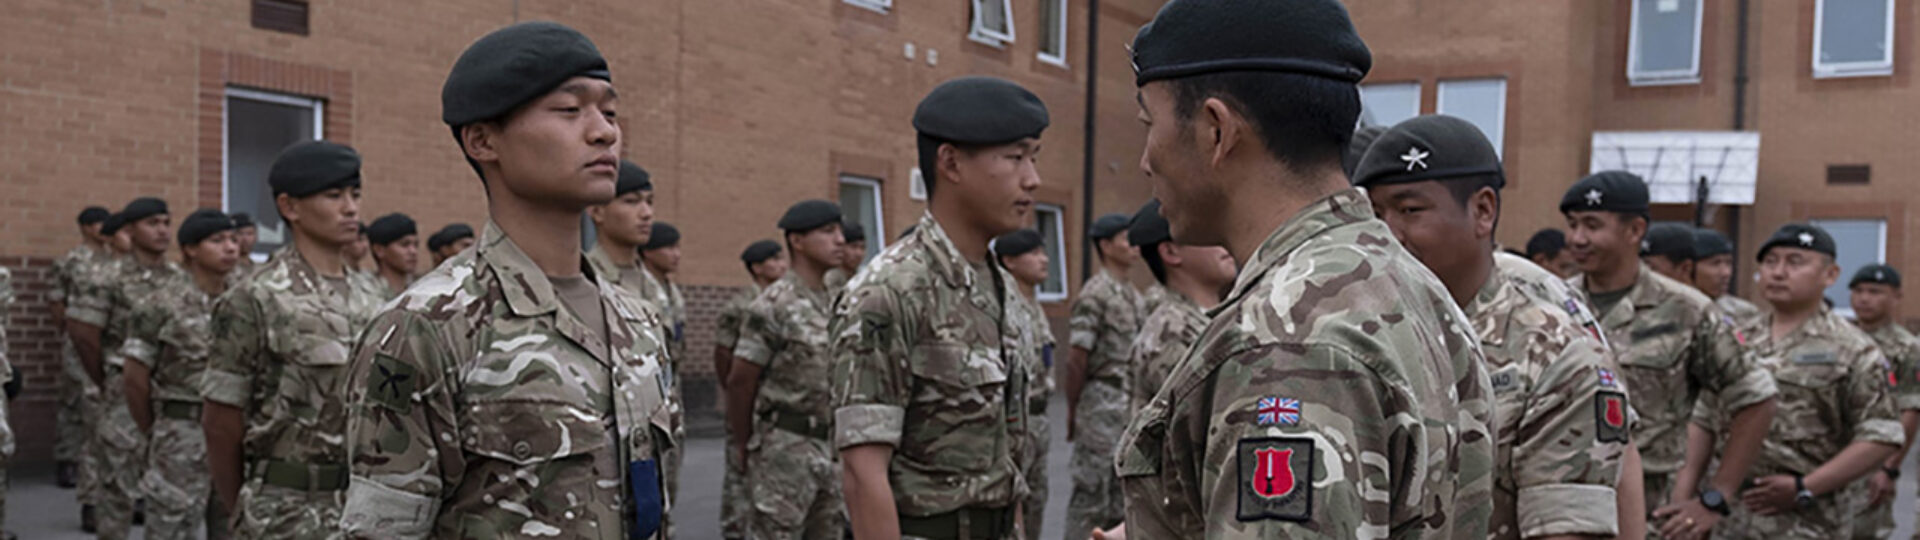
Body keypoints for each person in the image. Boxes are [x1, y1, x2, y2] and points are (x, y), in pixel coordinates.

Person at [1104, 1, 1494, 536]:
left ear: (1217, 131)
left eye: (1150, 123)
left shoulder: (1283, 341)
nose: (1147, 159)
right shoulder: (1408, 281)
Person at [338, 20, 675, 539]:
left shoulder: (639, 320)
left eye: (609, 112)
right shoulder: (426, 326)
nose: (605, 131)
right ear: (482, 140)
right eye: (570, 109)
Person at [1354, 114, 1644, 539]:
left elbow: (1573, 522)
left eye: (1410, 210)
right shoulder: (1359, 328)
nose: (1387, 233)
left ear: (1483, 211)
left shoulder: (1555, 353)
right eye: (1376, 213)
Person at [832, 75, 1046, 540]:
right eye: (1014, 157)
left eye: (1033, 157)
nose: (1033, 178)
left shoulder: (1004, 291)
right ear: (950, 162)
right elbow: (862, 475)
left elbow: (1007, 456)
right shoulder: (890, 290)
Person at [1561, 171, 1780, 540]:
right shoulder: (1551, 302)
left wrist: (1716, 496)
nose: (1577, 239)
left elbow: (1757, 396)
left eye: (1592, 225)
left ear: (1635, 231)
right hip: (1561, 508)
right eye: (1572, 225)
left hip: (1650, 512)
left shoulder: (1686, 309)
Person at [201, 141, 385, 537]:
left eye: (355, 194)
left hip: (367, 508)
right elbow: (221, 422)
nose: (351, 208)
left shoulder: (377, 297)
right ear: (290, 207)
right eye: (333, 195)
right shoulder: (257, 298)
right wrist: (242, 507)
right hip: (286, 511)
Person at [1690, 224, 1902, 539]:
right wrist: (1690, 492)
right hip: (1725, 514)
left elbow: (1881, 435)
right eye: (1770, 262)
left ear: (1830, 275)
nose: (1778, 272)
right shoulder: (1736, 337)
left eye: (1795, 262)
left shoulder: (1854, 349)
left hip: (1806, 520)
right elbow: (1705, 416)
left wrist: (1806, 486)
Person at [727, 200, 848, 539]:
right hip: (785, 448)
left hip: (832, 446)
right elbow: (740, 381)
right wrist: (744, 442)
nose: (840, 239)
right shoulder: (773, 305)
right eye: (827, 231)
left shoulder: (840, 297)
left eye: (839, 230)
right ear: (797, 241)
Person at [120, 209, 240, 540]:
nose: (230, 247)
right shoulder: (161, 302)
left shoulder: (246, 301)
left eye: (232, 239)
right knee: (172, 525)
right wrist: (156, 429)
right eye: (217, 241)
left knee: (232, 524)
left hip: (234, 432)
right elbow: (134, 378)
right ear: (190, 249)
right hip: (181, 433)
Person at [71, 197, 181, 540]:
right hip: (122, 392)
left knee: (170, 491)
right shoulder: (107, 276)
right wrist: (106, 379)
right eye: (153, 223)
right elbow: (85, 335)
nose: (162, 230)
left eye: (166, 222)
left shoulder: (178, 277)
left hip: (170, 394)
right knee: (116, 487)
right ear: (130, 230)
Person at [1063, 211, 1140, 540]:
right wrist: (1073, 408)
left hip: (1126, 408)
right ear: (1106, 246)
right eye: (1126, 238)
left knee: (1120, 502)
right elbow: (1076, 358)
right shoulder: (1095, 294)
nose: (1133, 245)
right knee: (1090, 498)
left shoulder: (1133, 295)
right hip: (1099, 406)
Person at [1120, 199, 1231, 418]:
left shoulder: (1210, 317)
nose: (1224, 244)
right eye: (1208, 236)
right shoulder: (1173, 333)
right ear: (1171, 252)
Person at [713, 239, 785, 540]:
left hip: (770, 402)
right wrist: (734, 395)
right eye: (774, 260)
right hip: (745, 398)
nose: (782, 264)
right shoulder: (741, 306)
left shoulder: (782, 301)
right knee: (739, 472)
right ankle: (734, 527)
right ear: (757, 267)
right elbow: (724, 354)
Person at [1843, 264, 1920, 540]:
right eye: (1858, 291)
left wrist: (1890, 467)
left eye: (1875, 292)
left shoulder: (1907, 348)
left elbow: (1910, 410)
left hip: (1872, 461)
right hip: (1832, 457)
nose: (1864, 298)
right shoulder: (1838, 337)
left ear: (1896, 297)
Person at [993, 227, 1058, 540]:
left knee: (1036, 506)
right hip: (1015, 424)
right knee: (1011, 511)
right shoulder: (1006, 306)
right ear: (1009, 261)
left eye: (1043, 252)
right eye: (1032, 253)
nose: (1043, 259)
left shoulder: (1034, 305)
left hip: (1040, 419)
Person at [49, 206, 111, 490]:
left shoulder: (114, 260)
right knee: (73, 398)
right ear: (86, 227)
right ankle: (67, 459)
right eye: (99, 223)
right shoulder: (72, 260)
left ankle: (94, 463)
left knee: (98, 399)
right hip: (77, 337)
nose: (104, 228)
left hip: (105, 337)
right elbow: (57, 298)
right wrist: (67, 329)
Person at [637, 220, 687, 508]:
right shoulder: (641, 287)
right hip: (646, 395)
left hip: (671, 392)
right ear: (649, 251)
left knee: (671, 482)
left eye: (677, 247)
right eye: (668, 247)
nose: (676, 254)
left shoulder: (670, 290)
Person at [1692, 228, 1763, 323]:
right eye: (1715, 263)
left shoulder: (1744, 313)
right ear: (1688, 267)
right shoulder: (1673, 312)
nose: (1726, 273)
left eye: (1728, 263)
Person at [364, 213, 420, 299]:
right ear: (379, 250)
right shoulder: (364, 295)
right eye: (404, 245)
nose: (413, 251)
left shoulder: (420, 292)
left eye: (416, 245)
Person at [825, 221, 865, 291]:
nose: (859, 253)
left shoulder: (863, 277)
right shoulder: (831, 279)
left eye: (862, 247)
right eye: (853, 247)